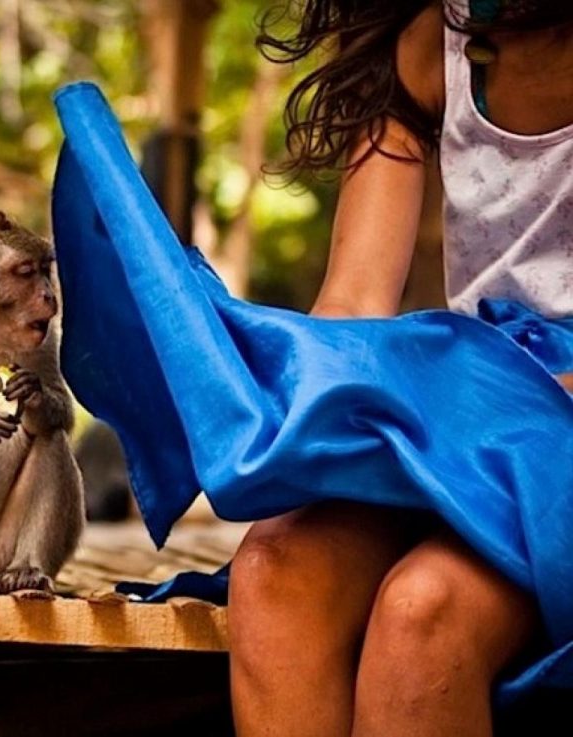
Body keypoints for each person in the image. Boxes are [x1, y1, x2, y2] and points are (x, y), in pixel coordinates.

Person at [227, 1, 573, 735]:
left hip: (535, 418)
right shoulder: (428, 45)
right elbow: (353, 303)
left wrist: (479, 412)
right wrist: (274, 395)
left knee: (423, 613)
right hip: (485, 406)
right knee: (274, 573)